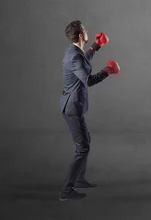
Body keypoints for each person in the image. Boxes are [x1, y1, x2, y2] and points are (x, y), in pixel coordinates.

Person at [59, 20, 120, 201]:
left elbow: (83, 62)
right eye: (85, 30)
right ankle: (66, 190)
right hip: (72, 107)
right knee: (83, 147)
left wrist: (96, 46)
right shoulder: (75, 56)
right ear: (80, 35)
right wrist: (108, 70)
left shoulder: (73, 51)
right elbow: (88, 80)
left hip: (73, 105)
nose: (87, 32)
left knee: (85, 142)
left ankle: (78, 179)